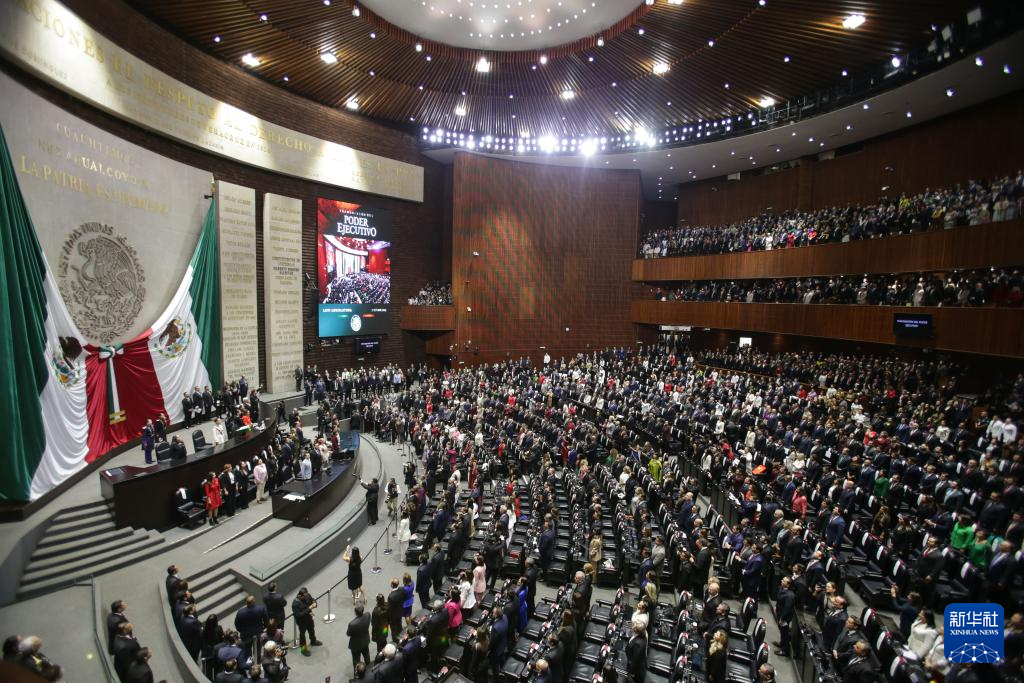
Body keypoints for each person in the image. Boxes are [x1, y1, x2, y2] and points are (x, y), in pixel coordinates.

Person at [292, 587, 321, 655]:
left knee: (312, 631)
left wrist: (314, 603)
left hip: (309, 618)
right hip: (302, 622)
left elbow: (312, 600)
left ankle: (313, 641)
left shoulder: (307, 595)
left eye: (307, 594)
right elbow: (299, 615)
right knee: (302, 636)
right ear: (300, 595)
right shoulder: (295, 603)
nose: (307, 596)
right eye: (305, 595)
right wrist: (310, 608)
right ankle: (303, 650)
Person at [774, 576, 796, 657]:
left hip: (784, 617)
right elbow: (779, 600)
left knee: (785, 633)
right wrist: (776, 606)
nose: (781, 581)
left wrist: (782, 618)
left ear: (788, 584)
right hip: (780, 612)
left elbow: (787, 608)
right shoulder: (781, 588)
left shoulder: (790, 596)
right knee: (782, 631)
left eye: (784, 581)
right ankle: (782, 643)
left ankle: (785, 651)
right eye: (782, 580)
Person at [347, 604, 372, 670]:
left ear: (355, 613)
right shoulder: (368, 615)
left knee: (356, 662)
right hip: (365, 641)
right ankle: (370, 671)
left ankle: (357, 674)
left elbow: (348, 634)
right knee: (367, 658)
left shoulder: (352, 624)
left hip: (356, 645)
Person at [387, 578, 405, 644]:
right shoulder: (402, 589)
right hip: (400, 612)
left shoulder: (391, 597)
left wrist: (388, 618)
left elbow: (390, 608)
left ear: (392, 585)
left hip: (393, 616)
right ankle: (402, 638)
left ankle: (395, 642)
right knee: (399, 625)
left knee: (394, 629)